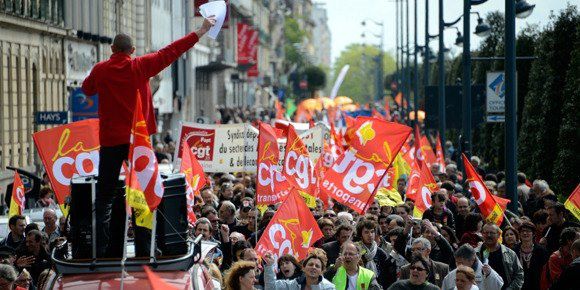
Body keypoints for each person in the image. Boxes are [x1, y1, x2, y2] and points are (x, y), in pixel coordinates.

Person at [82, 16, 216, 258]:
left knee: (104, 198)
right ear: (132, 51)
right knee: (143, 193)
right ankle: (145, 249)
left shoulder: (101, 69)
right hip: (138, 143)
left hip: (110, 141)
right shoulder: (139, 66)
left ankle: (100, 250)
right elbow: (171, 51)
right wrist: (201, 31)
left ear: (112, 49)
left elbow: (87, 89)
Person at [477, 223, 524, 290]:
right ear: (482, 234)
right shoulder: (475, 254)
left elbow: (519, 275)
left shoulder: (510, 254)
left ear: (499, 234)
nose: (489, 235)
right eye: (486, 232)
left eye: (492, 233)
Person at [355, 219, 397, 288]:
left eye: (372, 232)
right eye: (366, 232)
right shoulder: (355, 250)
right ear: (360, 234)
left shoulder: (380, 252)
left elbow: (386, 274)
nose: (370, 235)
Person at [263, 250, 335, 289]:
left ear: (322, 271)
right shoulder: (293, 285)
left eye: (317, 266)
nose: (313, 267)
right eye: (310, 264)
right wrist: (269, 266)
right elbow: (271, 287)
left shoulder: (329, 288)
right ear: (303, 268)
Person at [513, 221, 548, 290]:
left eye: (528, 231)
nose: (525, 233)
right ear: (519, 234)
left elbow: (545, 272)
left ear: (533, 234)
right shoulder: (514, 251)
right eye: (522, 231)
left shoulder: (541, 251)